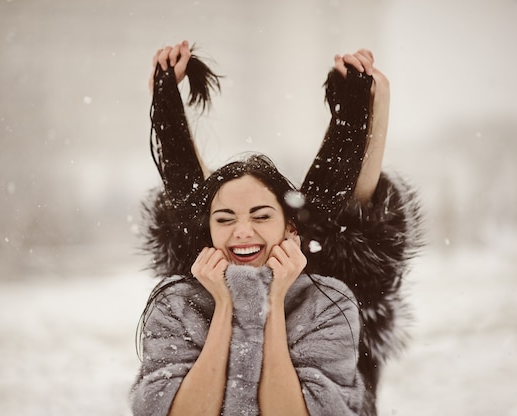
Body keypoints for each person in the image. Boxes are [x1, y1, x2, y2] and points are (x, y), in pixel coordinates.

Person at [130, 41, 421, 416]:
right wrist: (223, 306)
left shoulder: (329, 303)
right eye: (225, 220)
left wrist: (372, 103)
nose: (242, 231)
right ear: (208, 231)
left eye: (262, 216)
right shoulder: (176, 304)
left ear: (290, 228)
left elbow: (356, 209)